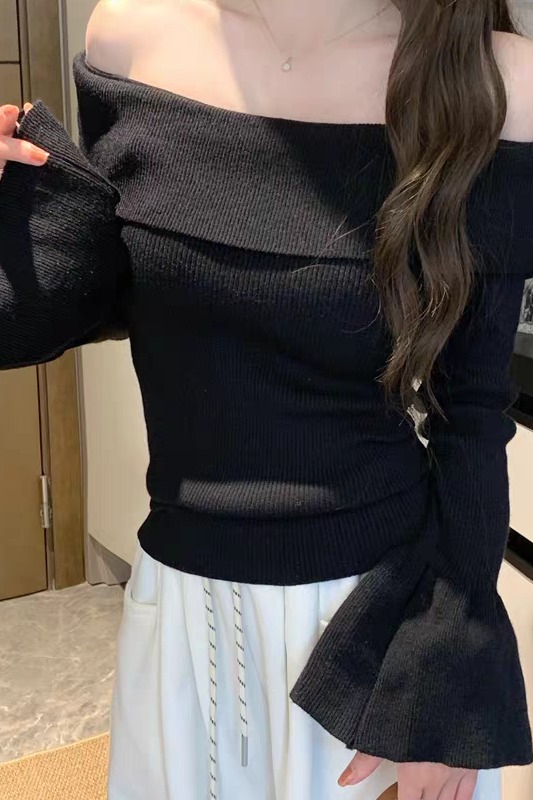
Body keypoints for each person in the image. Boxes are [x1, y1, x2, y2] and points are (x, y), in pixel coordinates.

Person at [0, 0, 532, 797]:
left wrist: (446, 671)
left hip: (372, 630)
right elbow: (97, 299)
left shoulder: (496, 80)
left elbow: (474, 415)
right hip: (179, 607)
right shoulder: (130, 35)